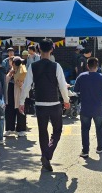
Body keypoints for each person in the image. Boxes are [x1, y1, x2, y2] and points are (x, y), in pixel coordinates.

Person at [18, 39, 70, 171]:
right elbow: (63, 86)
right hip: (54, 103)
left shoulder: (33, 67)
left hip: (40, 103)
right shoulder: (56, 66)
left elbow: (26, 86)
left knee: (43, 131)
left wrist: (21, 102)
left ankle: (45, 155)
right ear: (52, 49)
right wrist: (66, 100)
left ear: (39, 50)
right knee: (57, 130)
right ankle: (48, 154)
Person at [74, 57, 102, 157]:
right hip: (98, 108)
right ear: (97, 66)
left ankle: (85, 151)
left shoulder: (81, 76)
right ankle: (100, 147)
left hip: (85, 108)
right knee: (99, 128)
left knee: (85, 129)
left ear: (87, 66)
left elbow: (76, 90)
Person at [4, 57, 27, 137]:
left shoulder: (23, 71)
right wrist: (10, 74)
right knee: (9, 111)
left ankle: (21, 129)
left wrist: (21, 85)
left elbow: (27, 85)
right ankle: (9, 129)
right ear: (13, 64)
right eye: (17, 63)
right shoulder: (10, 71)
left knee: (20, 111)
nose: (19, 65)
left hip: (20, 94)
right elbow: (5, 82)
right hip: (10, 93)